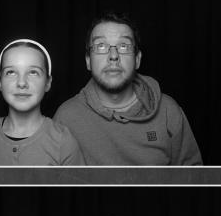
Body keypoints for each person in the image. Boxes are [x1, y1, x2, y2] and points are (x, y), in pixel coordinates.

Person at [54, 12, 202, 166]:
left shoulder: (168, 111)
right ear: (88, 61)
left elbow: (195, 177)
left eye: (123, 46)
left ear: (137, 59)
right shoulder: (66, 117)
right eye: (101, 46)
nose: (113, 56)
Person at [0, 39, 84, 166]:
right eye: (11, 72)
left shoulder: (63, 143)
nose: (21, 83)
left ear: (48, 83)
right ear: (0, 82)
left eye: (33, 72)